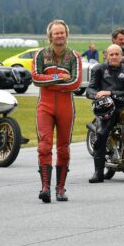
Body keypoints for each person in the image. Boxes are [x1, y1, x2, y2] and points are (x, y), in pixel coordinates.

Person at [32, 19, 82, 203]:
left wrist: (49, 83)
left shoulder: (74, 56)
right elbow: (36, 79)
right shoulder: (40, 54)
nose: (59, 36)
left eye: (62, 33)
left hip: (65, 107)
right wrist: (59, 77)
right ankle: (45, 187)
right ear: (50, 36)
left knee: (63, 148)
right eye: (56, 33)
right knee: (44, 145)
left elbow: (76, 83)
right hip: (44, 106)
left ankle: (60, 189)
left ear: (66, 35)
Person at [86, 44, 124, 183]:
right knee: (101, 134)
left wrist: (110, 93)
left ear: (121, 56)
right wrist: (98, 96)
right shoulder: (98, 69)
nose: (114, 57)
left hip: (123, 107)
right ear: (107, 56)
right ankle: (98, 173)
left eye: (117, 54)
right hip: (106, 108)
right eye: (111, 54)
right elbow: (89, 90)